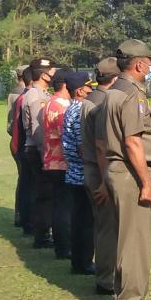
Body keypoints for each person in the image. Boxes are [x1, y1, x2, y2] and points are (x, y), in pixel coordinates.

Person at [104, 39, 151, 300]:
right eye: (150, 62)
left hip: (119, 171)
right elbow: (132, 142)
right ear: (140, 64)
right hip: (131, 174)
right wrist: (146, 183)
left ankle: (129, 299)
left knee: (126, 239)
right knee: (134, 243)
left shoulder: (115, 90)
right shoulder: (132, 95)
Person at [84, 57, 120, 295]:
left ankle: (105, 274)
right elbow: (100, 147)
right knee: (108, 228)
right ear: (116, 78)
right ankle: (106, 280)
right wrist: (107, 181)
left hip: (92, 168)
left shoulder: (89, 99)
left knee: (102, 226)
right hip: (101, 170)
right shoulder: (103, 103)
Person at [60, 71, 95, 276]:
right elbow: (83, 145)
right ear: (81, 90)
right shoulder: (81, 110)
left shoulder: (70, 108)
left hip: (73, 171)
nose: (92, 90)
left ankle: (78, 261)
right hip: (82, 171)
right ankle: (83, 262)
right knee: (86, 221)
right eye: (89, 87)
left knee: (78, 218)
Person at [20, 59, 55, 241]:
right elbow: (38, 127)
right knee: (43, 193)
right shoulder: (35, 95)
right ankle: (41, 234)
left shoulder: (42, 93)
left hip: (39, 148)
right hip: (37, 148)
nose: (55, 73)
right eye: (52, 70)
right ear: (43, 74)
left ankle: (42, 229)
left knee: (45, 191)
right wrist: (45, 153)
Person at [41, 71, 73, 259]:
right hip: (61, 162)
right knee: (64, 207)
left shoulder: (49, 103)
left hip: (50, 160)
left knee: (58, 205)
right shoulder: (62, 107)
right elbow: (66, 135)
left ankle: (61, 245)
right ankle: (64, 248)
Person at [5, 64, 29, 228]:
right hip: (21, 140)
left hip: (14, 138)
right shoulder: (22, 93)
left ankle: (20, 214)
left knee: (23, 180)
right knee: (26, 181)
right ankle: (23, 215)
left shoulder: (13, 92)